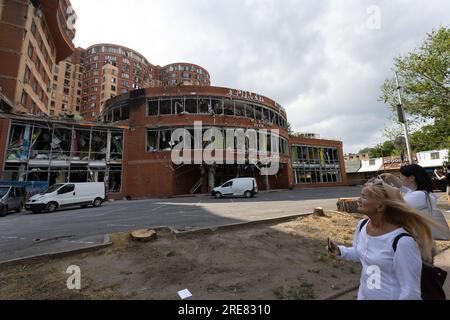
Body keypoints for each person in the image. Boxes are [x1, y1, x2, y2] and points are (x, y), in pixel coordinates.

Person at [328, 178, 434, 300]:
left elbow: (410, 292)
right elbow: (361, 253)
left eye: (364, 197)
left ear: (380, 206)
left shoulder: (402, 242)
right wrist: (341, 251)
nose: (359, 200)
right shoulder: (362, 225)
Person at [379, 164, 450, 240]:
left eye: (401, 176)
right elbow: (402, 187)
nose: (400, 178)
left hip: (422, 241)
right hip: (424, 238)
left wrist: (383, 187)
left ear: (412, 178)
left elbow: (397, 207)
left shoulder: (419, 195)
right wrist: (390, 177)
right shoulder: (421, 192)